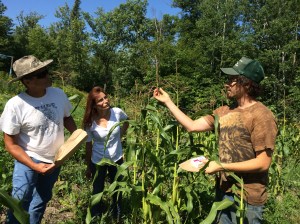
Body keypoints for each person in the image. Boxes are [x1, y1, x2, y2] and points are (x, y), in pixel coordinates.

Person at [153, 57, 277, 224]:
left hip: (248, 197)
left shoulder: (262, 116)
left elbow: (263, 163)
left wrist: (221, 166)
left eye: (232, 80)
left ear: (247, 84)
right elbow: (192, 126)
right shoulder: (224, 111)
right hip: (224, 191)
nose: (227, 84)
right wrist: (168, 102)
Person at [0, 55, 77, 224]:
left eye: (45, 71)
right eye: (42, 74)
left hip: (55, 158)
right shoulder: (15, 105)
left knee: (41, 200)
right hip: (28, 159)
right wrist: (34, 165)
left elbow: (66, 117)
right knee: (20, 201)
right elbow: (10, 144)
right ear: (27, 81)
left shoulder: (58, 94)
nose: (48, 76)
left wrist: (78, 135)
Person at [82, 86, 129, 221]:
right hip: (98, 161)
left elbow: (127, 122)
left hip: (117, 159)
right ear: (94, 105)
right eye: (100, 100)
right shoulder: (89, 122)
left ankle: (117, 216)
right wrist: (88, 166)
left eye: (106, 97)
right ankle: (95, 217)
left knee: (118, 190)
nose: (105, 101)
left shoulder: (117, 112)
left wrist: (120, 136)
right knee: (97, 190)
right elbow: (88, 146)